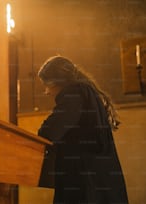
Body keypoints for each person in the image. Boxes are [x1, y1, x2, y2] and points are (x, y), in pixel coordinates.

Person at [37, 56, 128, 204]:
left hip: (84, 182)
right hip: (101, 180)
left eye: (47, 85)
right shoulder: (87, 93)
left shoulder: (74, 94)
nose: (47, 92)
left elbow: (50, 132)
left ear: (57, 82)